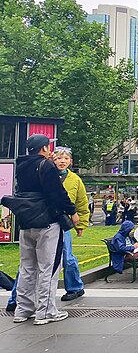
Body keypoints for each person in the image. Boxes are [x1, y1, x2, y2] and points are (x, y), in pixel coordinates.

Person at [8, 135, 76, 324]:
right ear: (44, 148)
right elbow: (56, 193)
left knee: (27, 267)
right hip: (47, 222)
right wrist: (71, 211)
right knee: (49, 267)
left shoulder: (21, 165)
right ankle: (45, 312)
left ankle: (23, 310)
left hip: (26, 222)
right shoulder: (46, 166)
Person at [52, 147, 89, 302]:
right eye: (59, 158)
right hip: (47, 221)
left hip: (65, 223)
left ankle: (75, 287)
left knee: (67, 257)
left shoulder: (75, 180)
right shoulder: (47, 175)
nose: (62, 161)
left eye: (66, 158)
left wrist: (80, 225)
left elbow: (82, 203)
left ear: (70, 161)